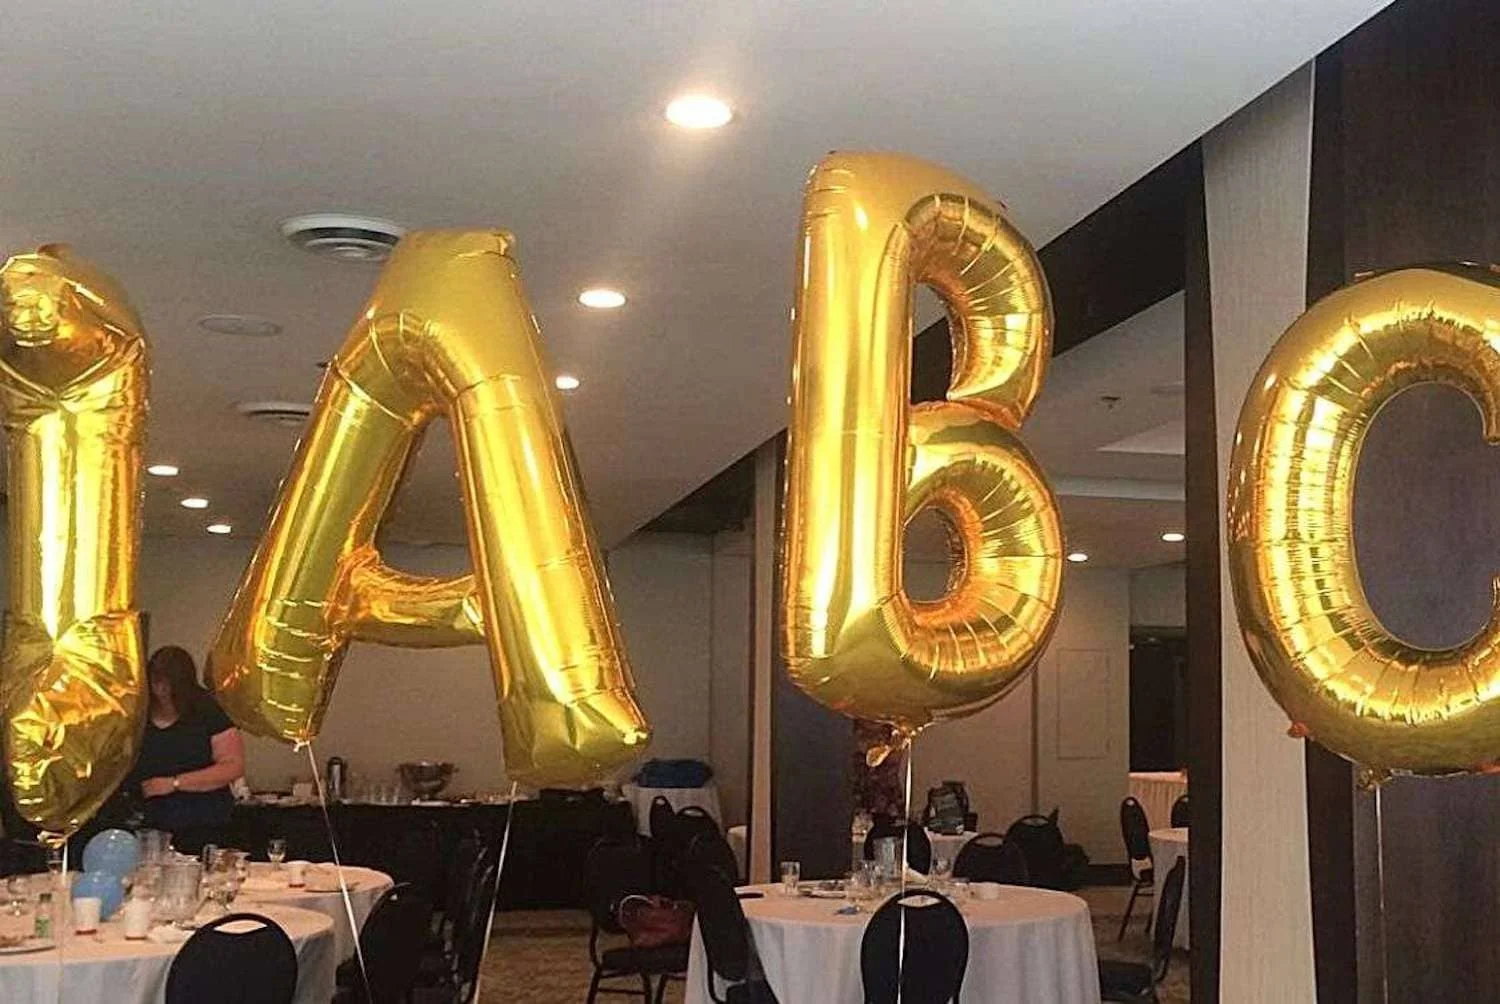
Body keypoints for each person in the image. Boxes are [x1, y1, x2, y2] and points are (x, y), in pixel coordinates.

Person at [131, 646, 244, 854]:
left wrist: (174, 783)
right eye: (156, 682)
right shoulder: (140, 710)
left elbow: (233, 766)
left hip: (201, 819)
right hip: (148, 820)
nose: (162, 690)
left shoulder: (207, 711)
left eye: (169, 684)